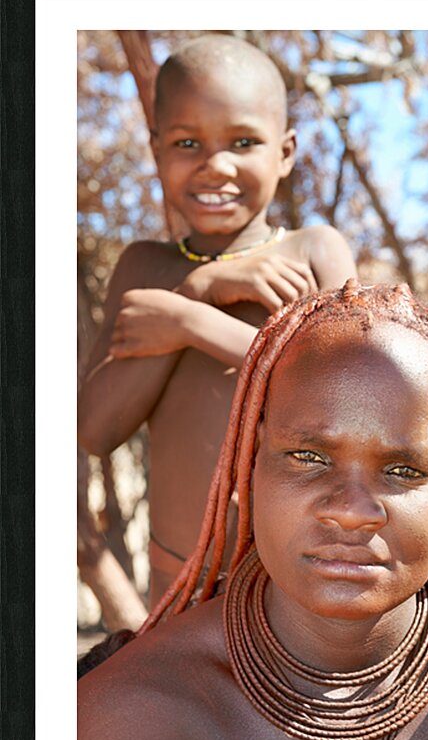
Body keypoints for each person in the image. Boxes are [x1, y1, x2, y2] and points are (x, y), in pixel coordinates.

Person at [78, 281, 428, 740]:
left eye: (404, 470)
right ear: (250, 464)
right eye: (308, 457)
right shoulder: (134, 706)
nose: (353, 511)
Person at [77, 34, 357, 605]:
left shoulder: (313, 252)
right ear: (156, 151)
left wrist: (191, 322)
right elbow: (94, 429)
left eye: (244, 141)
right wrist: (201, 286)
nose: (216, 165)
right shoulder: (146, 266)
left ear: (285, 152)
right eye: (187, 142)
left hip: (299, 597)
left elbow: (344, 403)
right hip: (179, 591)